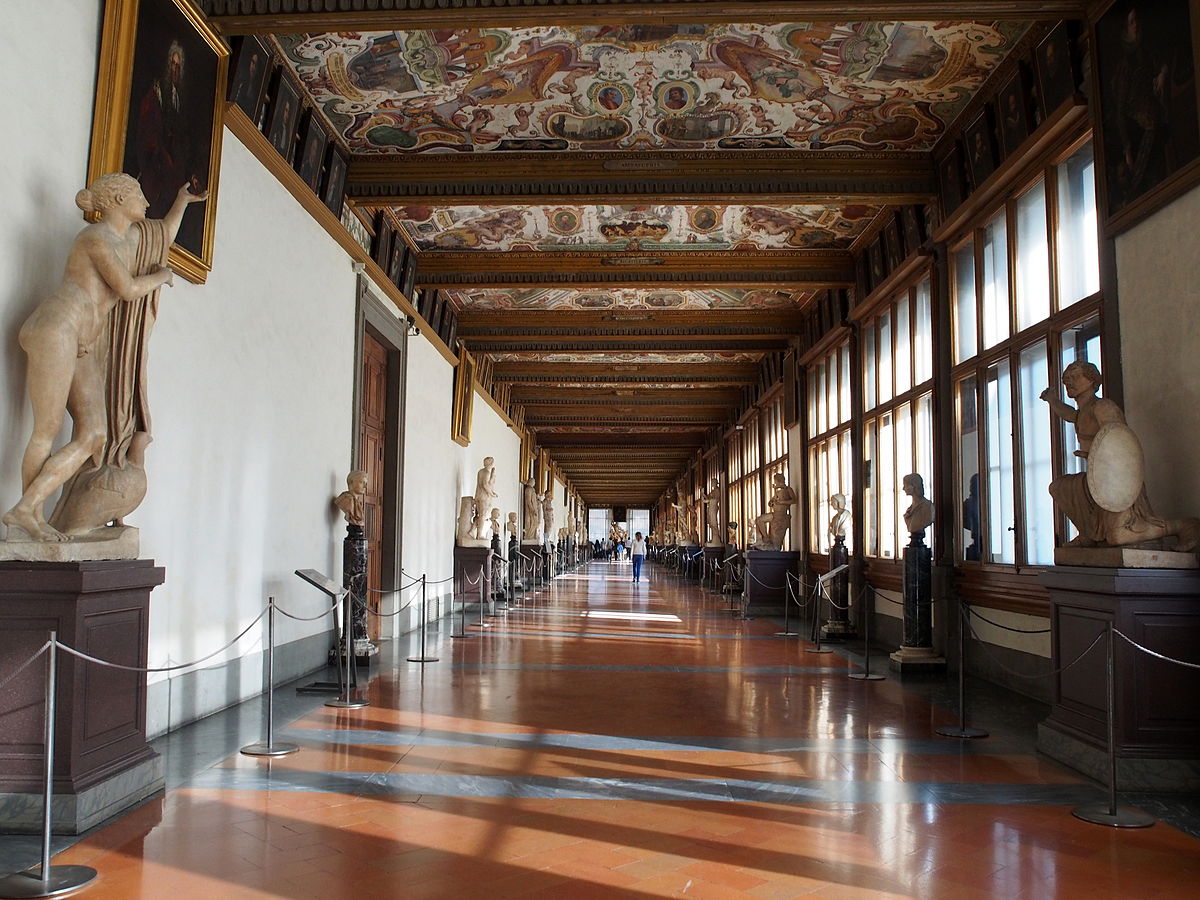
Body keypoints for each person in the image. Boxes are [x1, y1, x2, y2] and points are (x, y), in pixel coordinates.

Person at [4, 174, 205, 542]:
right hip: (56, 329)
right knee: (46, 430)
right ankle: (28, 516)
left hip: (79, 340)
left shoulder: (128, 240)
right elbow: (127, 289)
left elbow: (161, 235)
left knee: (95, 434)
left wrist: (182, 202)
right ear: (117, 199)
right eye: (139, 195)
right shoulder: (94, 238)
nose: (146, 203)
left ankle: (27, 509)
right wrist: (161, 276)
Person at [136, 40, 194, 219]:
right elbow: (149, 123)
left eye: (178, 66)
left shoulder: (178, 98)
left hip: (172, 159)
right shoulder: (157, 90)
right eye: (173, 64)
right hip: (157, 155)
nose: (175, 70)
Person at [753, 472, 797, 550]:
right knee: (759, 520)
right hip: (774, 514)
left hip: (781, 515)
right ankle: (765, 538)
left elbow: (794, 500)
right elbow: (771, 501)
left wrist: (782, 502)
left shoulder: (788, 489)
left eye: (776, 481)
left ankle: (770, 545)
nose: (776, 483)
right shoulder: (777, 491)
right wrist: (771, 502)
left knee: (776, 543)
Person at [472, 456, 497, 539]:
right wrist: (491, 494)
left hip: (479, 495)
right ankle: (479, 535)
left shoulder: (481, 471)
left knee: (480, 516)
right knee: (483, 516)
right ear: (491, 463)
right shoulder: (486, 472)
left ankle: (473, 532)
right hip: (484, 497)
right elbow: (485, 485)